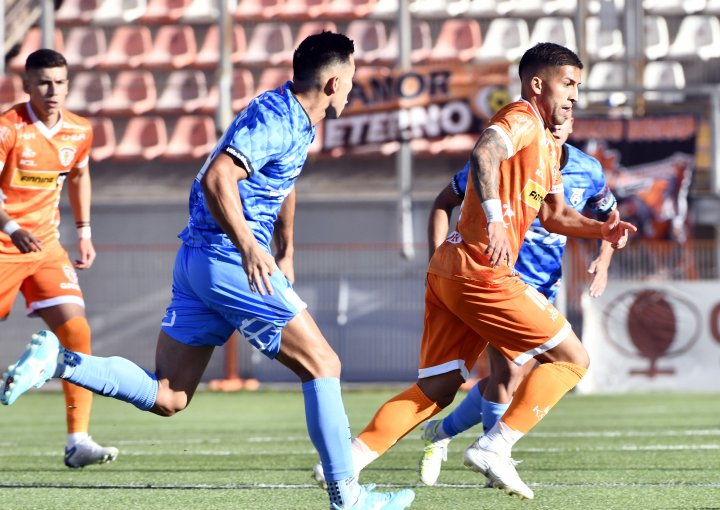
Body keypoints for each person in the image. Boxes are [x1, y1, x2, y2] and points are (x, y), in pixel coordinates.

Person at [0, 32, 414, 510]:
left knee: (169, 394)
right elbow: (220, 176)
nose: (352, 89)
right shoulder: (278, 118)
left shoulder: (295, 119)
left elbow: (281, 181)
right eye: (352, 80)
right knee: (324, 365)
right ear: (334, 82)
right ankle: (349, 497)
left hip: (201, 260)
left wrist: (287, 248)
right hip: (228, 257)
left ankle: (58, 362)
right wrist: (249, 248)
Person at [314, 42, 636, 500]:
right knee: (572, 359)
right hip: (483, 268)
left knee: (438, 387)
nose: (575, 96)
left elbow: (555, 216)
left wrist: (601, 230)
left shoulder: (547, 144)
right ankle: (495, 447)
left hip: (452, 268)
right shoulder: (522, 117)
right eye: (568, 84)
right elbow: (484, 153)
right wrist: (497, 220)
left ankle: (346, 462)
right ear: (537, 83)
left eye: (578, 87)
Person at [417, 116, 623, 487]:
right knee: (509, 372)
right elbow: (443, 201)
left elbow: (610, 217)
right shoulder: (505, 160)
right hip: (498, 280)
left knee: (515, 376)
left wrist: (604, 261)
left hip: (545, 285)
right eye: (551, 118)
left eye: (567, 114)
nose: (558, 124)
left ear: (572, 123)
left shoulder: (587, 170)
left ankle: (441, 433)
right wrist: (436, 260)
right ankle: (494, 456)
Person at [0, 48, 118, 468]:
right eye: (44, 82)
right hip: (4, 245)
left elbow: (81, 175)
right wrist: (12, 228)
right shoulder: (8, 129)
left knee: (77, 332)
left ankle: (77, 440)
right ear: (27, 85)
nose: (53, 91)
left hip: (47, 247)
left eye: (60, 82)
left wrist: (84, 232)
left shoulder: (79, 130)